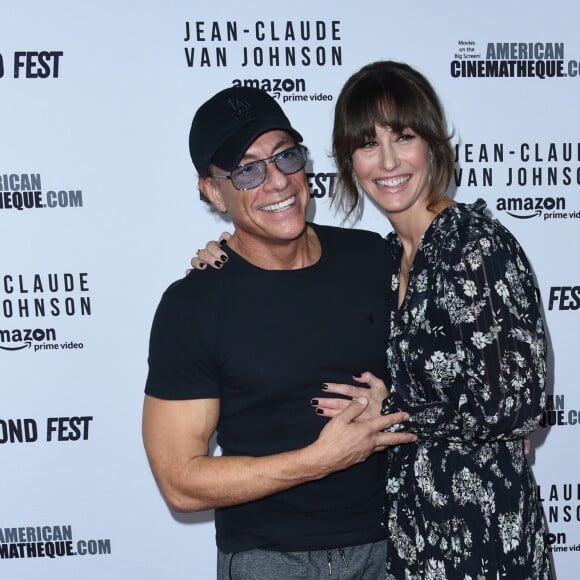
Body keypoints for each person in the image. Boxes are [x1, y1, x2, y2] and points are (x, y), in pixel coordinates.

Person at [194, 62, 553, 578]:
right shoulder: (385, 260)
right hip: (411, 538)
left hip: (483, 537)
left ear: (431, 142)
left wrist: (395, 410)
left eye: (403, 137)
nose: (387, 162)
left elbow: (518, 406)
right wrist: (222, 251)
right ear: (348, 161)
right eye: (366, 144)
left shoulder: (475, 246)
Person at [142, 85, 416, 580]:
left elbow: (456, 379)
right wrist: (319, 459)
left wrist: (396, 409)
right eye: (247, 170)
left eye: (285, 157)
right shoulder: (193, 305)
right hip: (271, 561)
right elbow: (181, 482)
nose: (277, 182)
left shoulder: (376, 259)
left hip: (394, 548)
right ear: (212, 191)